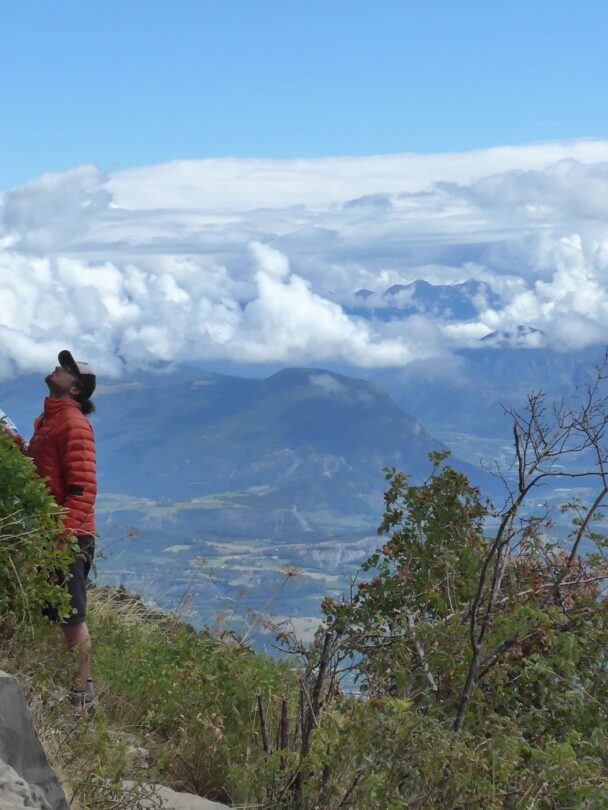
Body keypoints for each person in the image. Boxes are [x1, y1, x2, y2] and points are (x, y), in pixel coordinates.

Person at [8, 350, 98, 709]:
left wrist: (62, 538)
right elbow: (38, 469)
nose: (59, 367)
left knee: (72, 616)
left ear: (76, 388)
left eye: (68, 368)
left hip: (68, 536)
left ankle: (81, 696)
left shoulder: (73, 425)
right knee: (59, 614)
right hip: (53, 533)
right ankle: (69, 686)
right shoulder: (49, 421)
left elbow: (82, 489)